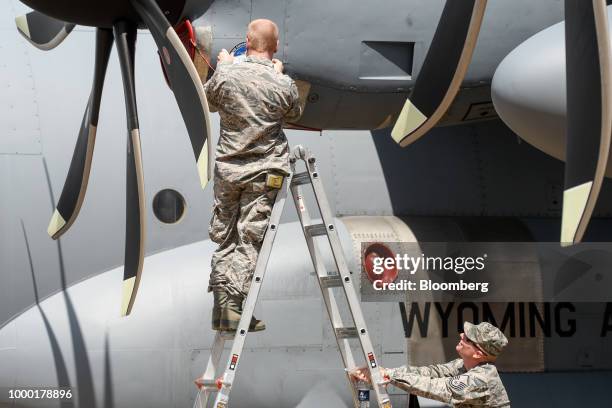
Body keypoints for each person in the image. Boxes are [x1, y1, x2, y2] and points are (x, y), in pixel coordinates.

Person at [203, 19, 303, 332]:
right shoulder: (282, 83)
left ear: (247, 40)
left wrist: (224, 67)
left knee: (226, 235)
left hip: (228, 171)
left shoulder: (227, 73)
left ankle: (222, 308)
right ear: (275, 48)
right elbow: (295, 114)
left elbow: (208, 101)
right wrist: (278, 76)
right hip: (264, 171)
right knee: (249, 237)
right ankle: (233, 308)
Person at [351, 322, 511, 407]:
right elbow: (429, 373)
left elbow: (435, 387)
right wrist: (387, 372)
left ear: (478, 354)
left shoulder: (482, 380)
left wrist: (390, 376)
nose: (461, 335)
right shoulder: (462, 365)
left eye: (468, 339)